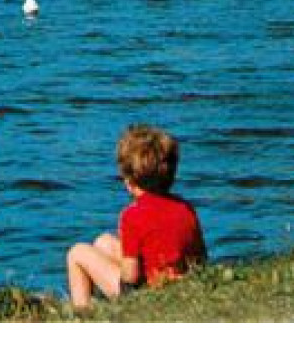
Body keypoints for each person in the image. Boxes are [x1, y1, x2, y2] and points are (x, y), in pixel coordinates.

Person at [66, 125, 206, 310]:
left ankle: (82, 314)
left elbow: (130, 277)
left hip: (147, 294)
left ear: (129, 182)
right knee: (103, 242)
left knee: (77, 252)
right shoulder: (185, 208)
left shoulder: (132, 215)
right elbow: (200, 258)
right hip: (179, 284)